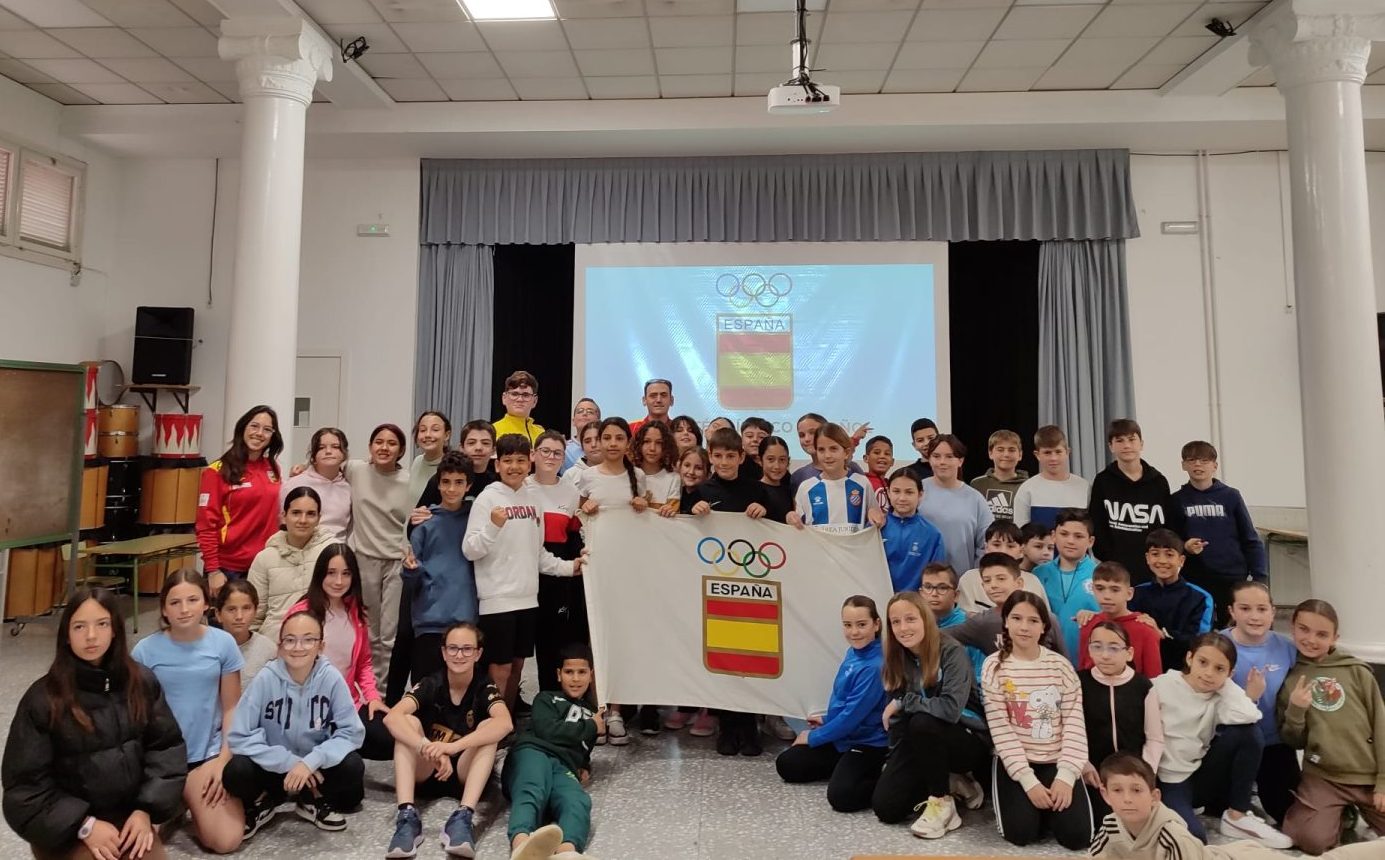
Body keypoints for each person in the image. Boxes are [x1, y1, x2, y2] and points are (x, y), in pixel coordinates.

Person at [3, 588, 186, 860]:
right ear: (66, 635)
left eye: (102, 624)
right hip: (67, 826)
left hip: (129, 815)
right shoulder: (42, 699)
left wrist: (145, 810)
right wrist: (84, 825)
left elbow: (166, 749)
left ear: (114, 631)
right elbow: (24, 788)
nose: (91, 635)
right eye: (79, 626)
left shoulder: (142, 682)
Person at [465, 434, 582, 715]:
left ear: (529, 462)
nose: (514, 467)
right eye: (508, 461)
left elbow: (538, 553)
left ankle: (505, 723)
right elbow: (470, 549)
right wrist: (493, 527)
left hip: (529, 599)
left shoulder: (533, 500)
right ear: (498, 464)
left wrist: (569, 567)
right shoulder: (487, 499)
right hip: (497, 600)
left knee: (517, 666)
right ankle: (489, 723)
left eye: (520, 460)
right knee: (500, 668)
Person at [131, 570, 245, 854]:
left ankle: (186, 796)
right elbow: (135, 718)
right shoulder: (145, 651)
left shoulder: (223, 643)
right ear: (163, 609)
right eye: (175, 602)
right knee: (138, 845)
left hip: (204, 757)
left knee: (226, 840)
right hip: (161, 761)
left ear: (206, 603)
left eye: (192, 600)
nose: (184, 609)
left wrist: (223, 760)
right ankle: (175, 801)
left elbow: (231, 707)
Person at [225, 610, 365, 839]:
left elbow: (352, 732)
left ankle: (311, 798)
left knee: (353, 770)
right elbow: (240, 735)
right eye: (290, 640)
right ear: (280, 646)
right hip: (274, 767)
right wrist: (288, 762)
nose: (298, 647)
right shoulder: (266, 678)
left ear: (321, 646)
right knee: (235, 772)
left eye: (308, 640)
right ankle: (265, 800)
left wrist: (312, 761)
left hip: (315, 769)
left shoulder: (331, 678)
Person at [1091, 752, 1376, 860]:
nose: (1127, 799)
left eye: (1136, 790)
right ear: (1105, 794)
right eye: (1117, 790)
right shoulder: (1110, 826)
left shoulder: (1171, 834)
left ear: (1154, 796)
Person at [690, 426, 783, 756]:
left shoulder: (756, 489)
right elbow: (681, 530)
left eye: (731, 456)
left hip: (750, 585)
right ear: (710, 457)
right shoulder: (700, 490)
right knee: (722, 655)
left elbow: (778, 524)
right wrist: (693, 512)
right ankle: (727, 725)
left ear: (742, 457)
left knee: (751, 656)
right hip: (716, 584)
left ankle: (749, 726)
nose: (725, 462)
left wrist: (764, 511)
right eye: (718, 456)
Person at [385, 622, 511, 859]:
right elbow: (391, 718)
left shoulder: (484, 686)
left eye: (467, 649)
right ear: (443, 652)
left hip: (464, 773)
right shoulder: (431, 683)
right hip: (428, 769)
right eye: (453, 648)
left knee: (489, 728)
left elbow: (505, 724)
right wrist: (427, 747)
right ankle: (406, 816)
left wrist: (452, 747)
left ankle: (463, 817)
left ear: (478, 654)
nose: (459, 655)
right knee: (407, 722)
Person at [1152, 632, 1290, 847]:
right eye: (1203, 662)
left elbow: (1249, 716)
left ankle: (1237, 816)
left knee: (1249, 733)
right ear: (1189, 658)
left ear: (1230, 673)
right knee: (1194, 839)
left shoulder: (1221, 694)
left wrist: (1225, 684)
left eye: (1219, 669)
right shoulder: (1161, 686)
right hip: (1170, 780)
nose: (1208, 673)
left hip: (1201, 775)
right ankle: (1180, 809)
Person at [982, 590, 1094, 850]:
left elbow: (1074, 724)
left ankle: (1050, 808)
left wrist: (1066, 776)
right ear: (1005, 622)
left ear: (1044, 626)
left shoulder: (1060, 666)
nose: (1024, 627)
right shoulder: (994, 666)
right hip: (1017, 761)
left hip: (1056, 758)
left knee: (1077, 837)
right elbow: (1001, 730)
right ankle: (1035, 808)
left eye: (1033, 621)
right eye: (1017, 618)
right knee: (1021, 834)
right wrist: (1028, 781)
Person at [873, 592, 988, 836]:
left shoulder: (951, 651)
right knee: (887, 808)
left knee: (922, 721)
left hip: (964, 737)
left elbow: (949, 709)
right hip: (921, 738)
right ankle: (954, 781)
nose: (903, 628)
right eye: (896, 622)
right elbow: (896, 721)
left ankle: (942, 802)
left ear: (925, 619)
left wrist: (904, 702)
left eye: (910, 619)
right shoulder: (896, 656)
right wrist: (893, 760)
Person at [1278, 599, 1385, 855]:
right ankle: (1340, 814)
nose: (1311, 639)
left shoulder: (1357, 671)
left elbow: (1381, 725)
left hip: (1368, 776)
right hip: (1323, 777)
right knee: (1311, 839)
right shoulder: (1291, 679)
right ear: (1293, 627)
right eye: (1304, 629)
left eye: (1322, 634)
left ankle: (1350, 810)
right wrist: (1296, 710)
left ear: (1335, 637)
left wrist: (1383, 782)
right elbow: (1293, 741)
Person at [776, 596, 889, 813]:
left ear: (876, 624)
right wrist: (827, 719)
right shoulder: (854, 652)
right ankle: (844, 767)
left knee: (842, 797)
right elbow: (845, 703)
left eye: (861, 624)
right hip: (843, 738)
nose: (854, 632)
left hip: (868, 743)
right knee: (787, 765)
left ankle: (885, 776)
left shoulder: (874, 666)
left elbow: (851, 717)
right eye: (848, 625)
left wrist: (812, 737)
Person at [287, 545, 394, 761]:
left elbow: (364, 663)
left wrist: (372, 697)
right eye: (331, 573)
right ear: (320, 574)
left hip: (347, 703)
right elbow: (287, 666)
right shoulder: (300, 613)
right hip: (307, 708)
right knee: (348, 767)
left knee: (390, 740)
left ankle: (341, 743)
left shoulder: (356, 612)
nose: (339, 581)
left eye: (346, 574)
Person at [502, 644, 603, 860]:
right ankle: (521, 845)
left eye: (582, 672)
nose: (575, 678)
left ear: (591, 675)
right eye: (569, 672)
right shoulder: (546, 698)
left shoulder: (592, 713)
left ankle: (567, 851)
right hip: (533, 751)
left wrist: (583, 766)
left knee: (577, 800)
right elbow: (548, 731)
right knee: (531, 789)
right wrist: (591, 726)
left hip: (563, 766)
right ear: (559, 675)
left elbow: (582, 749)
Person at [343, 423, 413, 690]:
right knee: (369, 631)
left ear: (401, 450)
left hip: (396, 562)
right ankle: (367, 689)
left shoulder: (408, 481)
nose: (384, 448)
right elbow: (325, 465)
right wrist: (301, 468)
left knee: (390, 635)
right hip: (364, 560)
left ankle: (384, 693)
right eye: (379, 442)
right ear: (370, 447)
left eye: (392, 443)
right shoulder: (355, 470)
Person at [1224, 581, 1299, 827]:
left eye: (1262, 609)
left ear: (1273, 612)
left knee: (1287, 812)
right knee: (1222, 806)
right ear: (1232, 611)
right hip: (1230, 744)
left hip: (1274, 744)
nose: (1254, 617)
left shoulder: (1287, 648)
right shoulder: (1217, 646)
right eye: (1245, 608)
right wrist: (1249, 698)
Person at [1172, 441, 1267, 628]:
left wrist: (1260, 578)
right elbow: (1172, 539)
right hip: (1195, 578)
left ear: (1214, 466)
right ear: (1183, 465)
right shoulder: (1176, 500)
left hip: (1231, 577)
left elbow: (1250, 539)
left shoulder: (1231, 496)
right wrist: (1185, 546)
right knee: (1198, 628)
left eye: (1204, 460)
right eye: (1191, 460)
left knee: (1233, 629)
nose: (1198, 465)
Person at [1080, 621, 1165, 819]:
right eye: (1097, 647)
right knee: (1100, 823)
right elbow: (1070, 731)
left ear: (1129, 653)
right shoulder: (1079, 683)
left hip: (1133, 772)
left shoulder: (1143, 686)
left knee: (1141, 820)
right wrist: (1083, 763)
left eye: (1114, 648)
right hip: (1094, 774)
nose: (1105, 655)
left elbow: (1154, 738)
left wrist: (1145, 773)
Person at [407, 452, 478, 684]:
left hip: (465, 619)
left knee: (460, 688)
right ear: (438, 484)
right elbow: (411, 575)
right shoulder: (424, 523)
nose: (451, 489)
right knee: (425, 687)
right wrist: (410, 570)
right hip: (430, 621)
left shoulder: (476, 520)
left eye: (459, 482)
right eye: (446, 482)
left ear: (468, 485)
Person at [198, 405, 283, 594]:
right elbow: (205, 525)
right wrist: (213, 570)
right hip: (229, 569)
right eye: (254, 426)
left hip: (266, 564)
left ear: (272, 436)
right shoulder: (217, 470)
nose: (259, 433)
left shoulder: (273, 468)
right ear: (242, 428)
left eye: (267, 429)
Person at [528, 431, 587, 692]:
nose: (551, 457)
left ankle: (551, 696)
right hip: (525, 572)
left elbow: (574, 534)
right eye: (545, 451)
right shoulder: (522, 487)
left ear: (564, 458)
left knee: (552, 640)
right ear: (533, 454)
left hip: (557, 575)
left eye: (557, 453)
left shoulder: (570, 491)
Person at [1088, 419, 1173, 584]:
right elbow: (1097, 524)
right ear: (1111, 446)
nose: (1126, 445)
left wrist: (1159, 560)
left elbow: (1167, 527)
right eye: (1119, 441)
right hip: (1115, 571)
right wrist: (1109, 559)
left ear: (1141, 444)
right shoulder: (1103, 481)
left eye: (1132, 439)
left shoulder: (1159, 482)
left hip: (1153, 570)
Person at [247, 486, 334, 644]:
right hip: (275, 644)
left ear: (319, 518)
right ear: (283, 516)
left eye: (310, 514)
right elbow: (254, 617)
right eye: (296, 513)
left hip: (322, 642)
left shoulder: (332, 553)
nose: (303, 520)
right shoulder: (264, 559)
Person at [948, 553, 1070, 665]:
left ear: (1019, 583)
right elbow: (942, 636)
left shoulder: (1045, 617)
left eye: (1001, 579)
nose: (993, 585)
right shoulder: (982, 622)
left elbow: (1064, 662)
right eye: (987, 581)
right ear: (983, 586)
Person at [1130, 529, 1214, 673]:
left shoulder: (1201, 598)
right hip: (1141, 674)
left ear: (1181, 560)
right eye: (1155, 554)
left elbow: (1199, 642)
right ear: (1147, 558)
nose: (1162, 561)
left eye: (1169, 555)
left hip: (1183, 674)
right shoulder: (1135, 593)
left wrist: (1162, 633)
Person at [789, 423, 883, 535]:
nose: (827, 455)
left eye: (833, 449)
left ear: (846, 453)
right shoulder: (806, 487)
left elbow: (877, 518)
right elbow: (798, 526)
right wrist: (791, 518)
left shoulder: (862, 483)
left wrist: (876, 515)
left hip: (854, 546)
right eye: (821, 450)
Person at [919, 435, 993, 573]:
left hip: (961, 579)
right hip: (920, 578)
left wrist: (975, 577)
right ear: (929, 459)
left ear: (960, 461)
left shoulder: (975, 498)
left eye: (949, 456)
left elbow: (986, 544)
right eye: (936, 456)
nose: (942, 462)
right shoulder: (916, 491)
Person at [1077, 562, 1164, 679]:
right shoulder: (1087, 624)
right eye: (1100, 588)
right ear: (1093, 589)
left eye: (1115, 590)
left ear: (1129, 593)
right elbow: (1083, 671)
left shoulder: (1145, 630)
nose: (1107, 596)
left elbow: (1154, 679)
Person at [1033, 508, 1099, 658]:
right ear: (1053, 536)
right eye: (1064, 534)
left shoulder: (1102, 575)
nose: (1070, 541)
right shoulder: (1038, 574)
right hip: (1044, 661)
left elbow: (1116, 618)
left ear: (1090, 541)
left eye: (1078, 536)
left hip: (1088, 662)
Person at [956, 521, 1050, 613]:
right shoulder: (969, 579)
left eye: (1010, 546)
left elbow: (1043, 617)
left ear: (1021, 551)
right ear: (986, 547)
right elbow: (963, 617)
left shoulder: (1033, 582)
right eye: (996, 545)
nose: (1003, 551)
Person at [279, 427, 352, 541]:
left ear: (344, 453)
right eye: (321, 447)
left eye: (335, 447)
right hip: (304, 548)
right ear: (313, 455)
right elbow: (282, 523)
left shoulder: (348, 485)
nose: (328, 451)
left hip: (339, 548)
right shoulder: (295, 483)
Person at [879, 471, 946, 593]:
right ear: (888, 493)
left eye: (909, 492)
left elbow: (936, 576)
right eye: (896, 491)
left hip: (917, 602)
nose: (902, 498)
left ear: (920, 495)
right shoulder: (875, 527)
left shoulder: (932, 534)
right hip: (878, 598)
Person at [1013, 425, 1089, 528]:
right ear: (1037, 455)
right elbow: (1020, 531)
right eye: (1047, 453)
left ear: (1067, 452)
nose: (1053, 458)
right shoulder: (1027, 489)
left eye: (1058, 452)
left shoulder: (1085, 487)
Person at [214, 580, 277, 685]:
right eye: (231, 609)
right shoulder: (207, 648)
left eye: (246, 608)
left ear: (255, 611)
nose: (239, 616)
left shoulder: (269, 650)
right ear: (218, 614)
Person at [971, 429, 1028, 522]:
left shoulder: (1027, 486)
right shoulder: (977, 484)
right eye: (1000, 450)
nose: (1006, 454)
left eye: (1011, 450)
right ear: (990, 453)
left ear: (1020, 455)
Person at [632, 419, 680, 509]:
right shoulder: (628, 474)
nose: (652, 448)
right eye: (647, 441)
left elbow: (673, 513)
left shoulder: (673, 478)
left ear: (666, 446)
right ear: (639, 444)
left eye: (659, 443)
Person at [408, 411, 452, 503]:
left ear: (446, 435)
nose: (427, 435)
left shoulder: (452, 466)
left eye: (435, 430)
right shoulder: (417, 461)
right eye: (423, 430)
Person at [493, 370, 545, 444]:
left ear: (535, 401)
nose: (520, 399)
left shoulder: (541, 434)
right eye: (514, 394)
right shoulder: (493, 432)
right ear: (504, 398)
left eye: (526, 395)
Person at [757, 435, 794, 523]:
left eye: (782, 460)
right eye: (770, 459)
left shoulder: (790, 491)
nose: (777, 466)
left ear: (788, 461)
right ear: (760, 460)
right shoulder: (753, 490)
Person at [562, 399, 600, 473]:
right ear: (573, 421)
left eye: (590, 412)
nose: (585, 414)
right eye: (580, 411)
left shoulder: (607, 447)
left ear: (598, 420)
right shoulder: (564, 449)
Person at [561, 422, 603, 487]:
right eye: (587, 441)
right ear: (582, 446)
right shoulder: (571, 475)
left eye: (598, 439)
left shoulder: (619, 471)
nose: (593, 445)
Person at [900, 417, 938, 482]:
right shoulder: (908, 474)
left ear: (939, 438)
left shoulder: (953, 467)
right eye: (920, 440)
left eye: (931, 438)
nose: (926, 443)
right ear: (914, 445)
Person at [862, 435, 894, 511]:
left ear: (892, 462)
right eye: (877, 453)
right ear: (866, 458)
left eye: (887, 454)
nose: (882, 456)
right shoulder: (861, 481)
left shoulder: (892, 485)